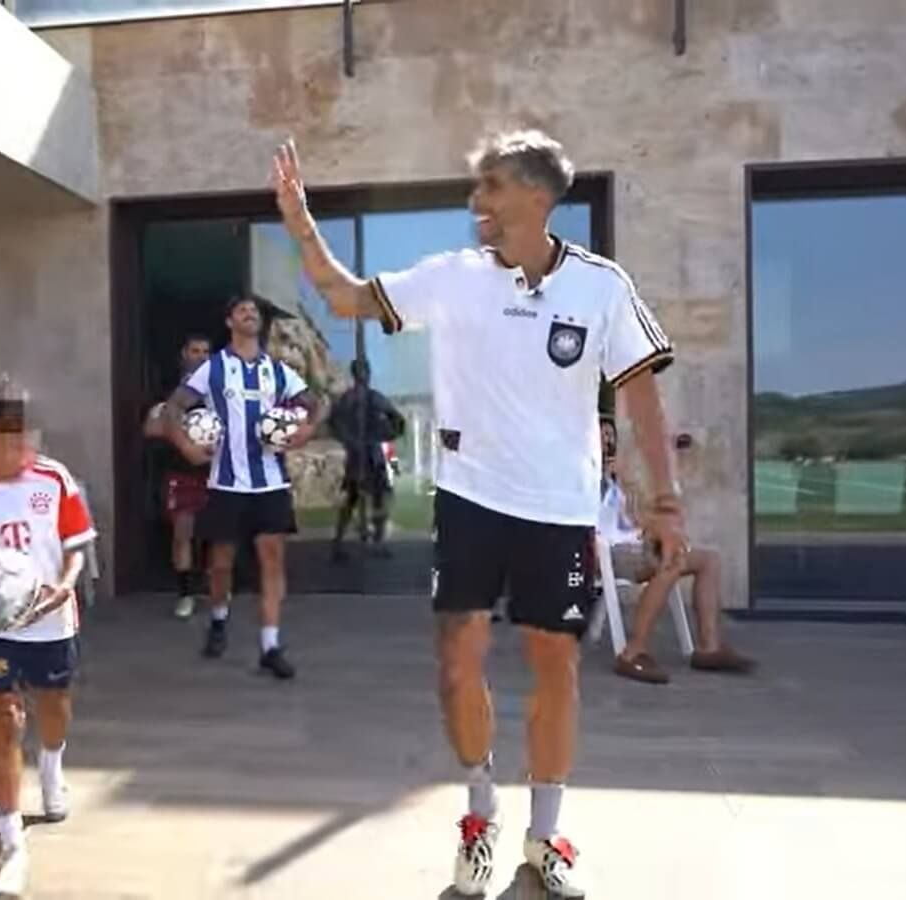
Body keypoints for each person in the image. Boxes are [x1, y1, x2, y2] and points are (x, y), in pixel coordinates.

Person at [273, 130, 687, 897]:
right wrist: (300, 225)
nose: (477, 203)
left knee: (555, 668)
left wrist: (664, 500)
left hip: (559, 511)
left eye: (491, 187)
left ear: (537, 196)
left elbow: (641, 396)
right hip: (470, 503)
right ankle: (479, 816)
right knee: (457, 663)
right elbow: (345, 296)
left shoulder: (601, 287)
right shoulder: (451, 278)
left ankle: (546, 833)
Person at [0, 379, 97, 899]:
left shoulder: (54, 481)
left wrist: (66, 583)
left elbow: (76, 549)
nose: (13, 449)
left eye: (21, 438)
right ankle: (11, 840)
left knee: (53, 709)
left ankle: (52, 764)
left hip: (52, 623)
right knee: (2, 716)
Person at [161, 296, 324, 680]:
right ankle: (218, 619)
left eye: (255, 312)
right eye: (243, 311)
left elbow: (314, 405)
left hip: (271, 481)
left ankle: (270, 645)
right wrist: (186, 446)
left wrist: (304, 432)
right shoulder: (213, 369)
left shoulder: (277, 371)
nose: (251, 315)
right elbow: (173, 408)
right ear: (230, 321)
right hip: (227, 482)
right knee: (221, 565)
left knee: (272, 560)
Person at [599, 418, 756, 684]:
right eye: (600, 435)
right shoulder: (579, 476)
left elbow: (634, 518)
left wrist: (626, 484)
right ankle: (633, 651)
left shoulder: (616, 477)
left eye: (609, 435)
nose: (606, 441)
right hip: (609, 554)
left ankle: (709, 647)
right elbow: (592, 525)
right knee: (673, 562)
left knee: (708, 560)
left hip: (637, 546)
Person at [144, 334, 214, 619]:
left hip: (216, 473)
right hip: (182, 472)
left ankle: (214, 589)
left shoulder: (220, 392)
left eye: (206, 352)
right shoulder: (169, 393)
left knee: (216, 534)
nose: (200, 356)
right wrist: (182, 435)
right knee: (182, 532)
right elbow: (150, 427)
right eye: (195, 351)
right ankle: (186, 594)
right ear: (184, 355)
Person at [329, 358, 405, 561]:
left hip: (361, 452)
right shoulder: (370, 398)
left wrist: (351, 439)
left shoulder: (350, 399)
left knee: (356, 499)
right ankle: (373, 543)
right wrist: (386, 433)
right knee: (372, 498)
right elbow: (397, 419)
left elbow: (333, 423)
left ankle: (341, 543)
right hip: (367, 454)